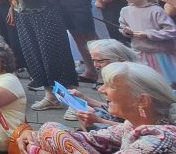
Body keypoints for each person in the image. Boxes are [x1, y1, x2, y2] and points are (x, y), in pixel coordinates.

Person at [18, 62, 176, 153]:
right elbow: (94, 138)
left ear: (142, 101)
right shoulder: (133, 124)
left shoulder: (156, 141)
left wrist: (35, 149)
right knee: (50, 128)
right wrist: (32, 135)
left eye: (111, 86)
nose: (101, 90)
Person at [3, 0, 78, 111]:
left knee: (54, 56)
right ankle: (50, 96)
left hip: (45, 16)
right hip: (25, 17)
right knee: (35, 57)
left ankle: (73, 102)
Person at [117, 0, 176, 84]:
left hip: (160, 55)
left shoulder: (155, 11)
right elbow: (122, 26)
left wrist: (148, 34)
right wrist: (126, 32)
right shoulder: (125, 11)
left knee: (166, 84)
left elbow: (171, 31)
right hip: (139, 53)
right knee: (147, 84)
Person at [67, 39, 137, 127]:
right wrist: (83, 98)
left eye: (100, 61)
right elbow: (113, 107)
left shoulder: (129, 82)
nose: (95, 65)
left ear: (120, 60)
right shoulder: (117, 75)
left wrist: (98, 120)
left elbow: (136, 126)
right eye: (93, 60)